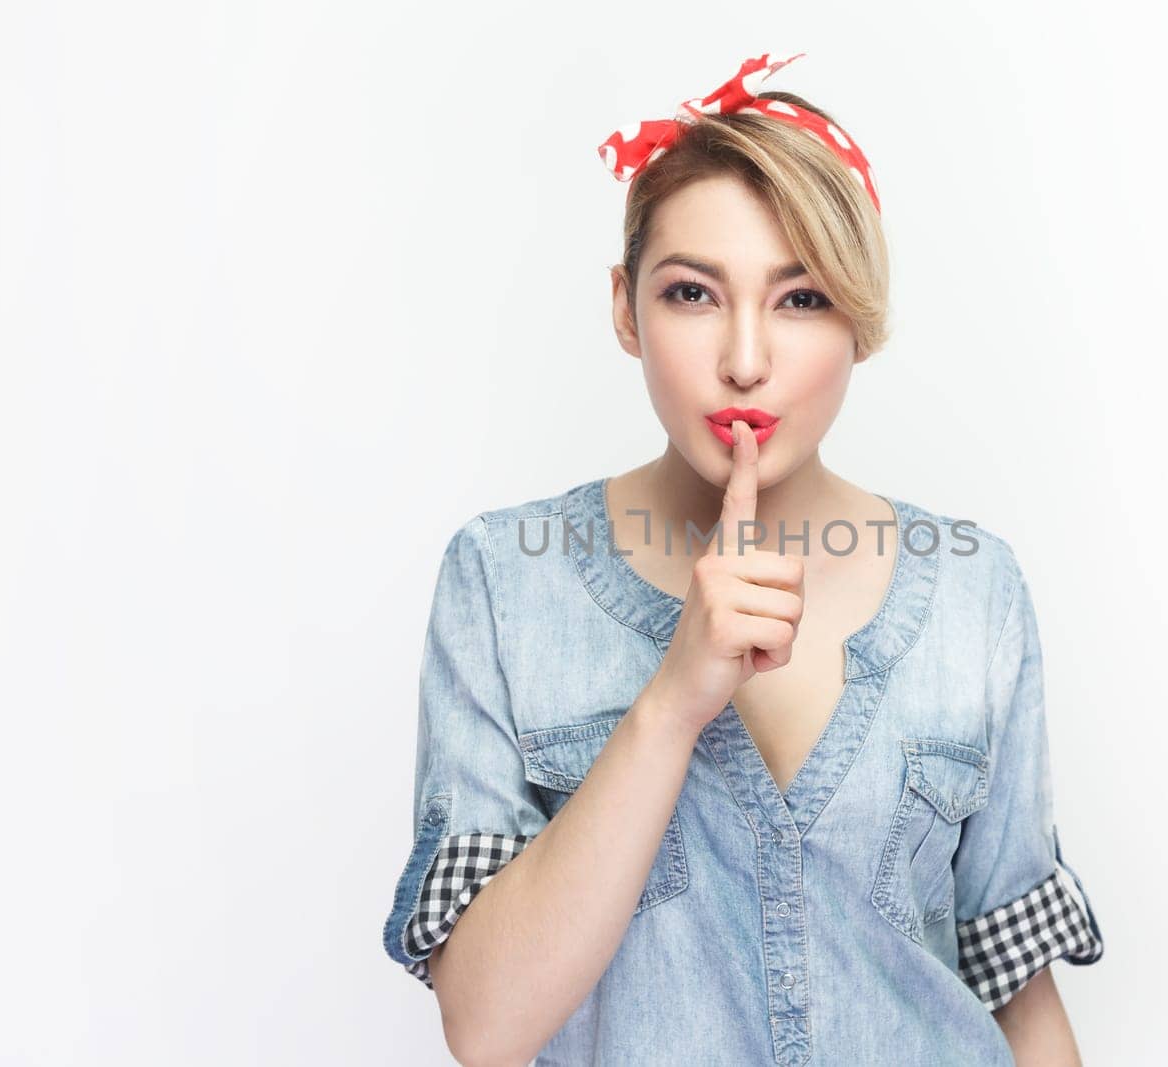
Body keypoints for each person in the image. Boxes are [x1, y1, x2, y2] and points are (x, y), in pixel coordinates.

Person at [380, 52, 1105, 1067]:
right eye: (692, 293)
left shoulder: (974, 591)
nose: (747, 359)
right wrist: (672, 698)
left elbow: (1018, 1002)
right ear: (627, 310)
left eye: (800, 298)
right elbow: (486, 1024)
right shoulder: (505, 581)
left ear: (858, 317)